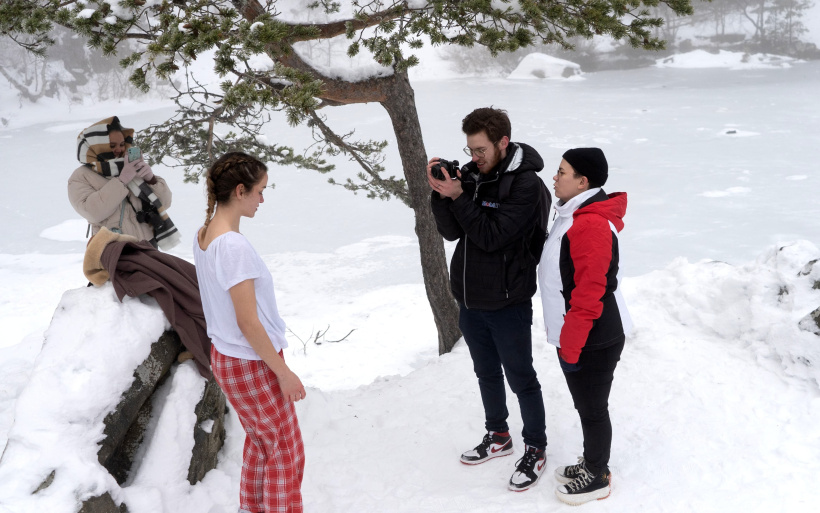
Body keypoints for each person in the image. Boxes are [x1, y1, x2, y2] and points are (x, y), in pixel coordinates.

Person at [428, 107, 549, 491]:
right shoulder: (474, 176)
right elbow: (451, 232)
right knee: (485, 373)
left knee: (522, 378)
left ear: (502, 143)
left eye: (480, 150)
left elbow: (493, 237)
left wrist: (461, 195)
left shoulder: (525, 185)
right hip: (471, 299)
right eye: (469, 150)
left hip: (508, 301)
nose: (473, 158)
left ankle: (535, 447)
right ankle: (499, 435)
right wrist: (441, 194)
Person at [194, 152, 306, 513]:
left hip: (228, 357)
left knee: (262, 443)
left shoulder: (206, 234)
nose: (262, 200)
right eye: (259, 191)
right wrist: (284, 373)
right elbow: (248, 322)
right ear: (240, 191)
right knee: (286, 452)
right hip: (251, 360)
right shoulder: (232, 246)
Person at [537, 148, 632, 506]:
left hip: (591, 337)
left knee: (593, 408)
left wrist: (571, 345)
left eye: (562, 172)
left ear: (583, 181)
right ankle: (593, 462)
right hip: (581, 334)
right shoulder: (573, 213)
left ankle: (598, 475)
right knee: (588, 405)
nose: (555, 177)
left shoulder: (589, 223)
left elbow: (590, 293)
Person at [70, 116, 179, 249]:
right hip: (113, 249)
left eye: (122, 144)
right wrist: (121, 181)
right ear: (96, 146)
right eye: (112, 145)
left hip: (148, 245)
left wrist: (151, 179)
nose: (119, 149)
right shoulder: (81, 176)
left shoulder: (129, 167)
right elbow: (93, 212)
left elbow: (165, 203)